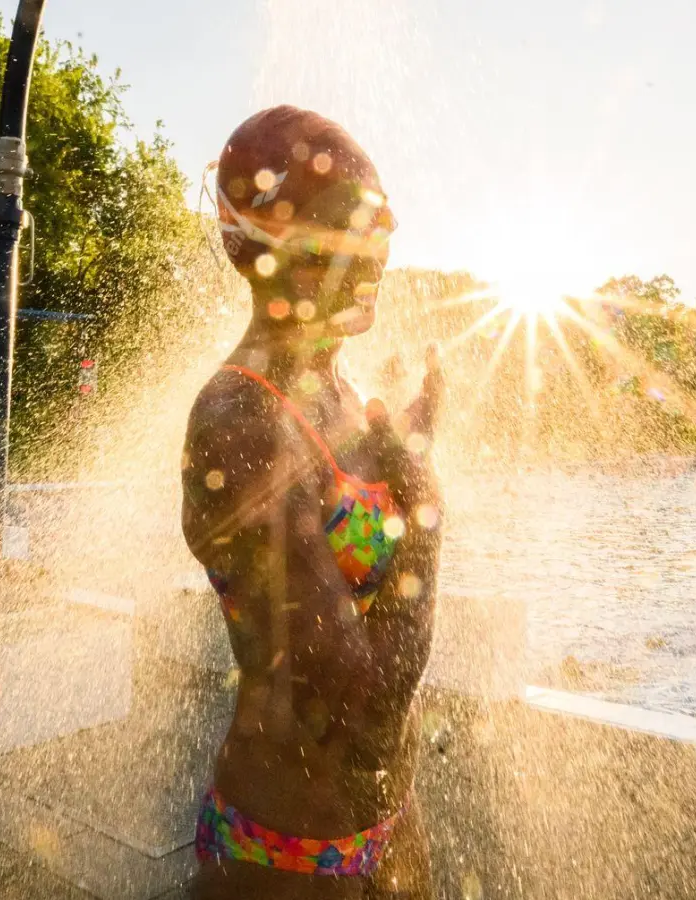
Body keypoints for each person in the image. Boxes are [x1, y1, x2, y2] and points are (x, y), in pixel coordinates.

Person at [180, 106, 443, 899]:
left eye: (379, 227)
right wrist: (428, 506)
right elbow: (357, 703)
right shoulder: (241, 421)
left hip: (393, 822)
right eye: (345, 230)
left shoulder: (345, 394)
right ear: (267, 251)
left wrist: (409, 460)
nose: (373, 259)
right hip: (285, 856)